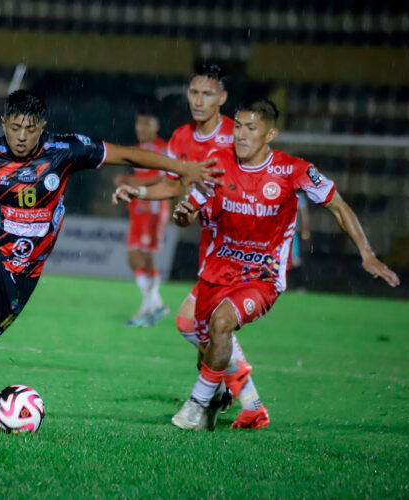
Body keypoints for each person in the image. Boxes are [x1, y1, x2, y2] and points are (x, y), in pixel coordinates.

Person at [0, 90, 221, 416]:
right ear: (4, 123)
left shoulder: (64, 151)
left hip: (24, 274)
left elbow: (126, 155)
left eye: (30, 129)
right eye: (15, 127)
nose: (21, 136)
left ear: (42, 126)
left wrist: (182, 168)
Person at [169, 98, 399, 431]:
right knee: (201, 338)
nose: (241, 136)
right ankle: (228, 403)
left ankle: (197, 404)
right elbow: (190, 209)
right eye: (237, 127)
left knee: (222, 325)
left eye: (251, 128)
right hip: (217, 271)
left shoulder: (294, 171)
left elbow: (337, 205)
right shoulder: (217, 163)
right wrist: (184, 214)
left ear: (270, 133)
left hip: (262, 276)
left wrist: (366, 252)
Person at [115, 63, 265, 426]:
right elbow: (171, 185)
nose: (199, 101)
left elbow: (259, 179)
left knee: (199, 325)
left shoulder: (237, 135)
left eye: (207, 94)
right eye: (194, 93)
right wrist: (139, 190)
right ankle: (235, 399)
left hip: (241, 247)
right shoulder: (181, 138)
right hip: (212, 247)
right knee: (202, 332)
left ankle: (230, 401)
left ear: (222, 98)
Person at [112, 110, 171, 327]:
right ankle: (155, 304)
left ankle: (149, 307)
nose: (141, 129)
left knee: (147, 258)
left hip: (154, 208)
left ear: (155, 127)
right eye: (138, 124)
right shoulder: (136, 149)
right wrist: (127, 179)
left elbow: (167, 175)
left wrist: (137, 183)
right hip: (137, 208)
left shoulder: (163, 148)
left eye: (146, 124)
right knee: (133, 258)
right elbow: (140, 178)